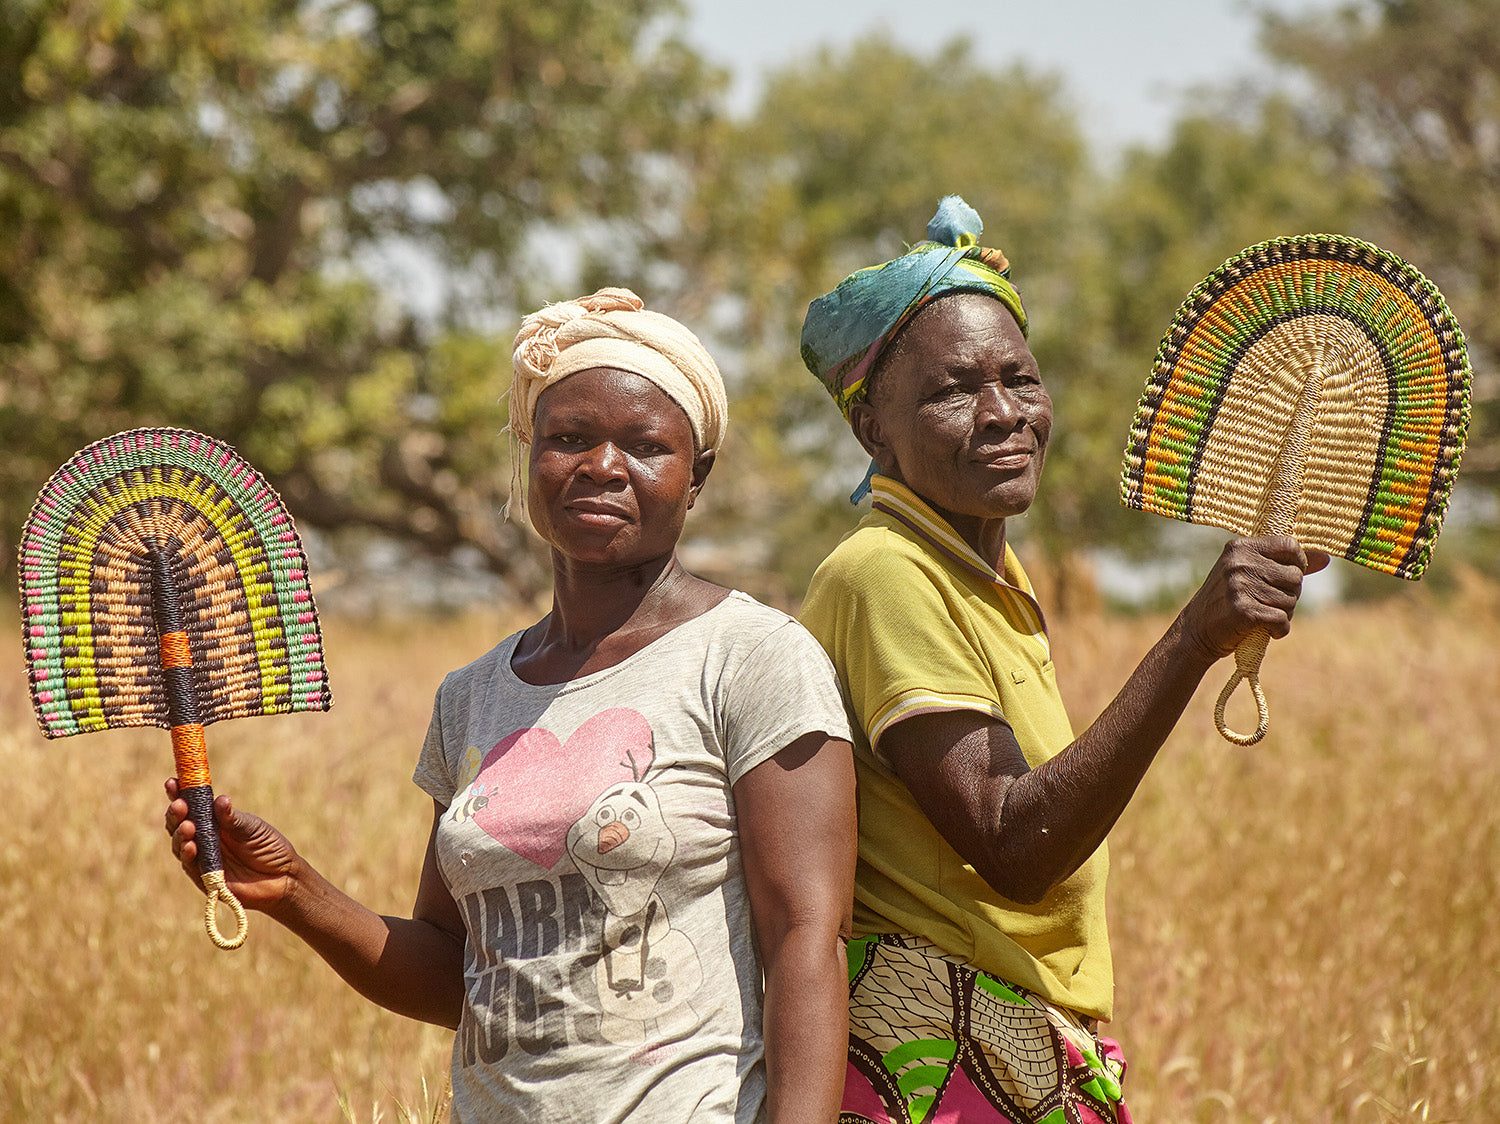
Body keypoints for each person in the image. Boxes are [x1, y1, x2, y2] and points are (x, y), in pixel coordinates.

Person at [166, 287, 857, 1124]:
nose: (602, 466)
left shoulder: (752, 656)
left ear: (696, 476)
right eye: (568, 438)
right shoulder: (473, 695)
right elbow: (455, 972)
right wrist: (295, 890)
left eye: (646, 446)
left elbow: (806, 939)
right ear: (529, 454)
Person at [796, 197, 1329, 1124]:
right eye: (953, 390)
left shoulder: (982, 573)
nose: (1003, 414)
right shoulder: (885, 572)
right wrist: (1192, 639)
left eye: (1021, 379)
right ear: (873, 430)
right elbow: (1014, 843)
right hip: (942, 1058)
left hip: (1004, 1044)